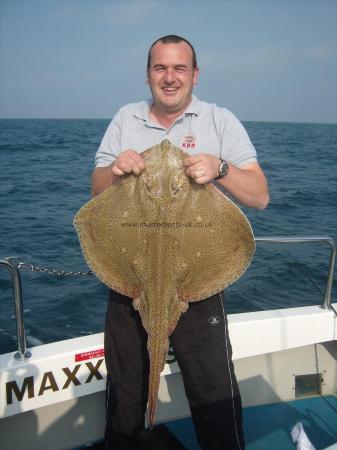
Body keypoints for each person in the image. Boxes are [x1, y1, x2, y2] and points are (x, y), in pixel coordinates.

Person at [92, 35, 269, 450]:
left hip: (197, 281)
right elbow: (96, 192)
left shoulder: (219, 120)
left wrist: (220, 167)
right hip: (129, 277)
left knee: (213, 396)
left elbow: (260, 196)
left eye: (179, 68)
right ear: (148, 74)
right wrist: (116, 171)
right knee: (125, 394)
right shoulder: (125, 118)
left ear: (194, 74)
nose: (169, 77)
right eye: (160, 68)